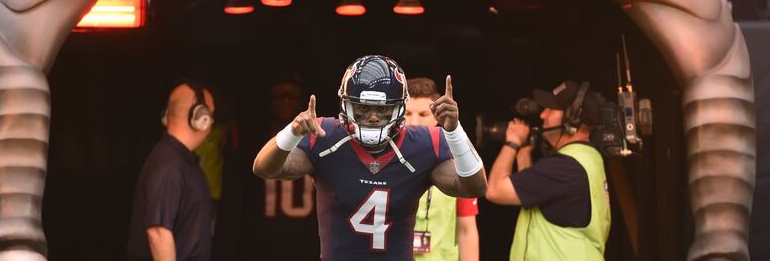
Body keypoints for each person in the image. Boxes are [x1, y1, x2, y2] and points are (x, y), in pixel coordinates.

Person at [253, 55, 488, 260]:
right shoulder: (325, 136)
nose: (373, 117)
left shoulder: (424, 142)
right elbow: (264, 168)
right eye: (363, 108)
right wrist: (292, 132)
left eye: (383, 109)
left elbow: (474, 187)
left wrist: (454, 131)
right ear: (346, 105)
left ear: (398, 108)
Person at [485, 81, 611, 261]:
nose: (543, 115)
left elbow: (495, 190)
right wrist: (523, 155)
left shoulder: (564, 167)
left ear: (572, 118)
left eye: (551, 110)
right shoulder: (586, 159)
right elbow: (537, 195)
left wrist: (512, 142)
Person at [212, 75, 320, 259]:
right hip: (263, 240)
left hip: (305, 240)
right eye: (279, 96)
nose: (285, 101)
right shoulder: (253, 143)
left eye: (291, 96)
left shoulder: (318, 140)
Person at [128, 79, 216, 261]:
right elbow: (158, 232)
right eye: (211, 114)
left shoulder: (177, 161)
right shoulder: (169, 166)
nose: (212, 122)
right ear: (200, 117)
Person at [405, 77, 480, 261]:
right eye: (407, 113)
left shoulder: (457, 161)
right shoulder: (383, 159)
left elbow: (466, 229)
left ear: (436, 116)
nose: (414, 121)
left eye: (423, 114)